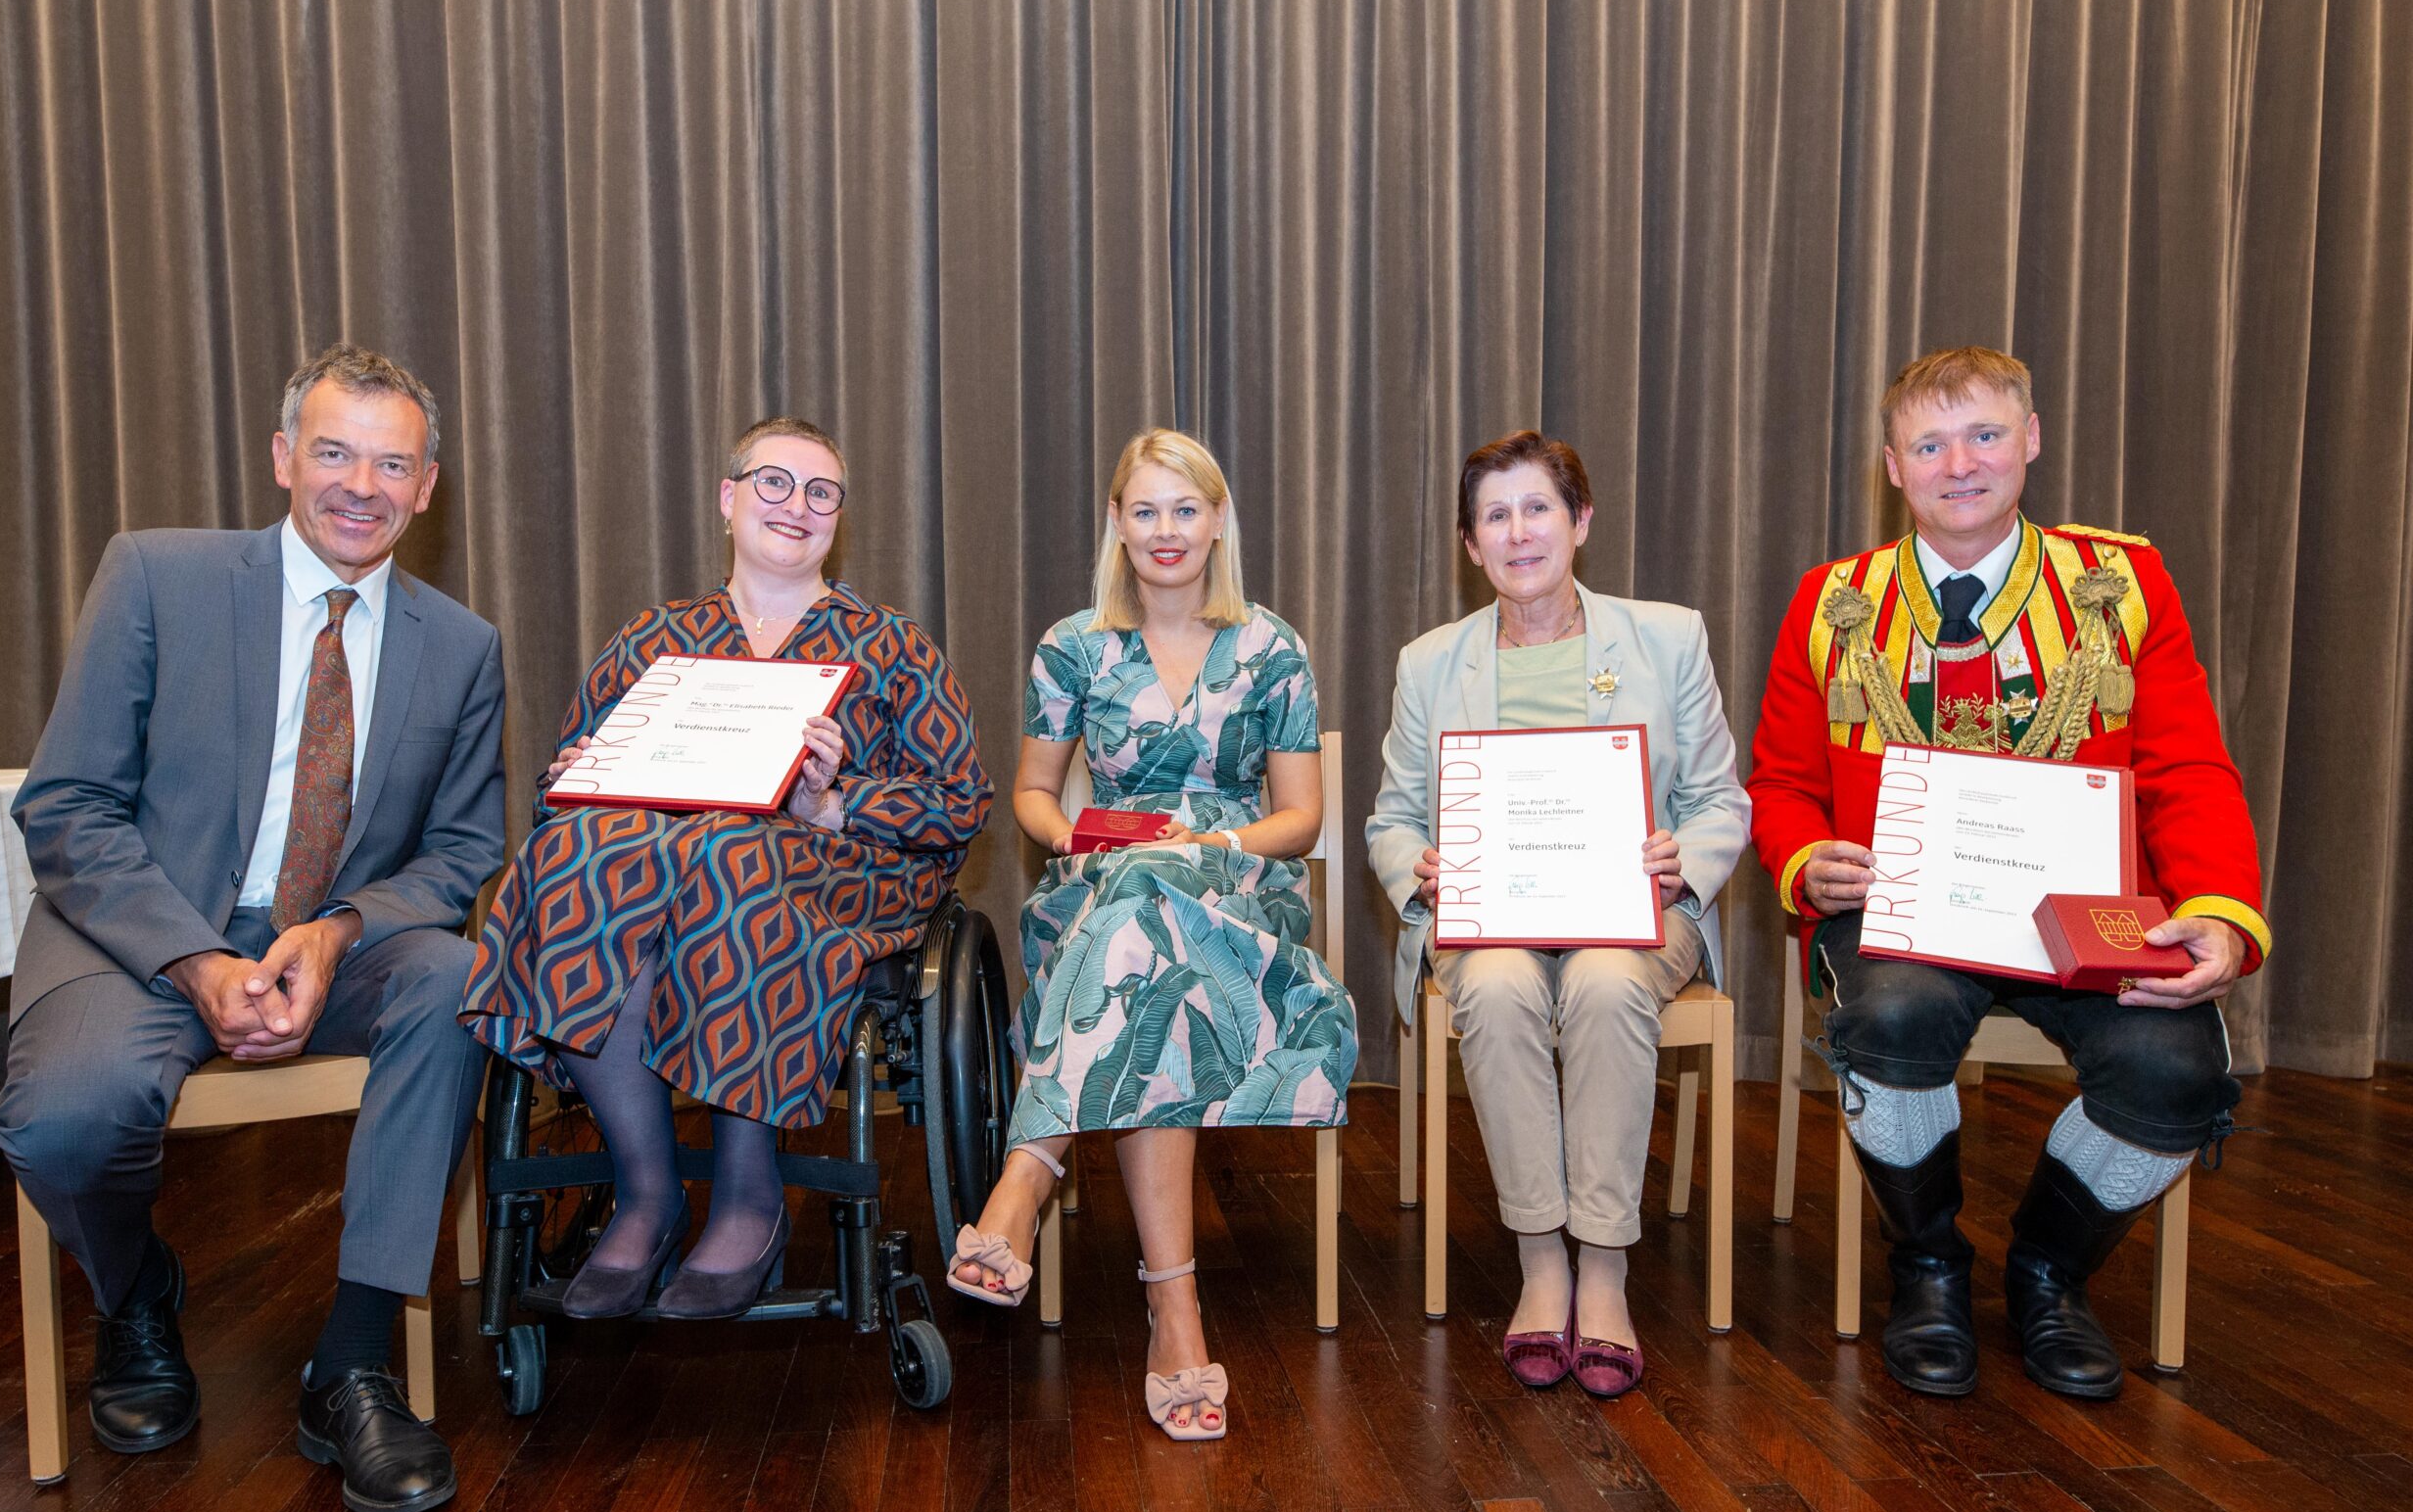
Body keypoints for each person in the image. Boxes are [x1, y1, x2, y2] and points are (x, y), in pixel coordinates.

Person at [0, 346, 504, 1512]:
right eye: (333, 452)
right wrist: (194, 956)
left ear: (429, 486)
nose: (360, 486)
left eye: (393, 462)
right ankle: (134, 1292)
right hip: (141, 923)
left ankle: (353, 1363)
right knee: (69, 1116)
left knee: (457, 979)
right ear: (283, 459)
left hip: (337, 935)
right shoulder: (156, 577)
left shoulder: (461, 645)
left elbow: (463, 853)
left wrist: (335, 934)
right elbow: (66, 805)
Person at [1749, 346, 2268, 1401]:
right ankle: (1929, 1263)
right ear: (1892, 467)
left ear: (2029, 441)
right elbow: (1781, 783)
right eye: (1930, 444)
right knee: (1888, 1026)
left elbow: (2185, 764)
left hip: (2090, 913)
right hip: (1905, 915)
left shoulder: (2120, 583)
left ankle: (2048, 1269)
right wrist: (1809, 860)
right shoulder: (1831, 600)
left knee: (2175, 1078)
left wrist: (2219, 910)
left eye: (1984, 435)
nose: (1960, 465)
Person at [460, 416, 990, 1326]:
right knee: (577, 856)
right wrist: (604, 768)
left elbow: (961, 801)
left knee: (728, 856)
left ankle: (750, 1199)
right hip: (662, 859)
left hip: (841, 864)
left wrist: (838, 800)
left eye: (821, 492)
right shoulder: (656, 639)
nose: (797, 506)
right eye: (775, 482)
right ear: (729, 496)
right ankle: (649, 1195)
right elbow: (564, 785)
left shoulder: (892, 645)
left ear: (839, 518)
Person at [942, 428, 1355, 1442]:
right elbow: (1035, 796)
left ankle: (1027, 1174)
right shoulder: (1071, 646)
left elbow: (1298, 818)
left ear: (1217, 521)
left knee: (1151, 912)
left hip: (1238, 889)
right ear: (1116, 526)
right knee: (1135, 920)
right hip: (1094, 890)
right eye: (1144, 510)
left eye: (1184, 509)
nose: (1165, 530)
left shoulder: (1273, 647)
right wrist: (1078, 837)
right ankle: (1175, 1311)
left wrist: (1204, 838)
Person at [1365, 430, 1750, 1396]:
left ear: (1579, 522)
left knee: (1606, 979)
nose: (1518, 532)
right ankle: (1542, 1260)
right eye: (1494, 516)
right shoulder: (1428, 663)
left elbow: (1719, 801)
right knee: (1493, 990)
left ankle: (1606, 1267)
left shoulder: (1667, 638)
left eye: (1537, 508)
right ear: (1469, 545)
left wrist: (1682, 858)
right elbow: (1391, 817)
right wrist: (1418, 866)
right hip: (1488, 919)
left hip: (1634, 912)